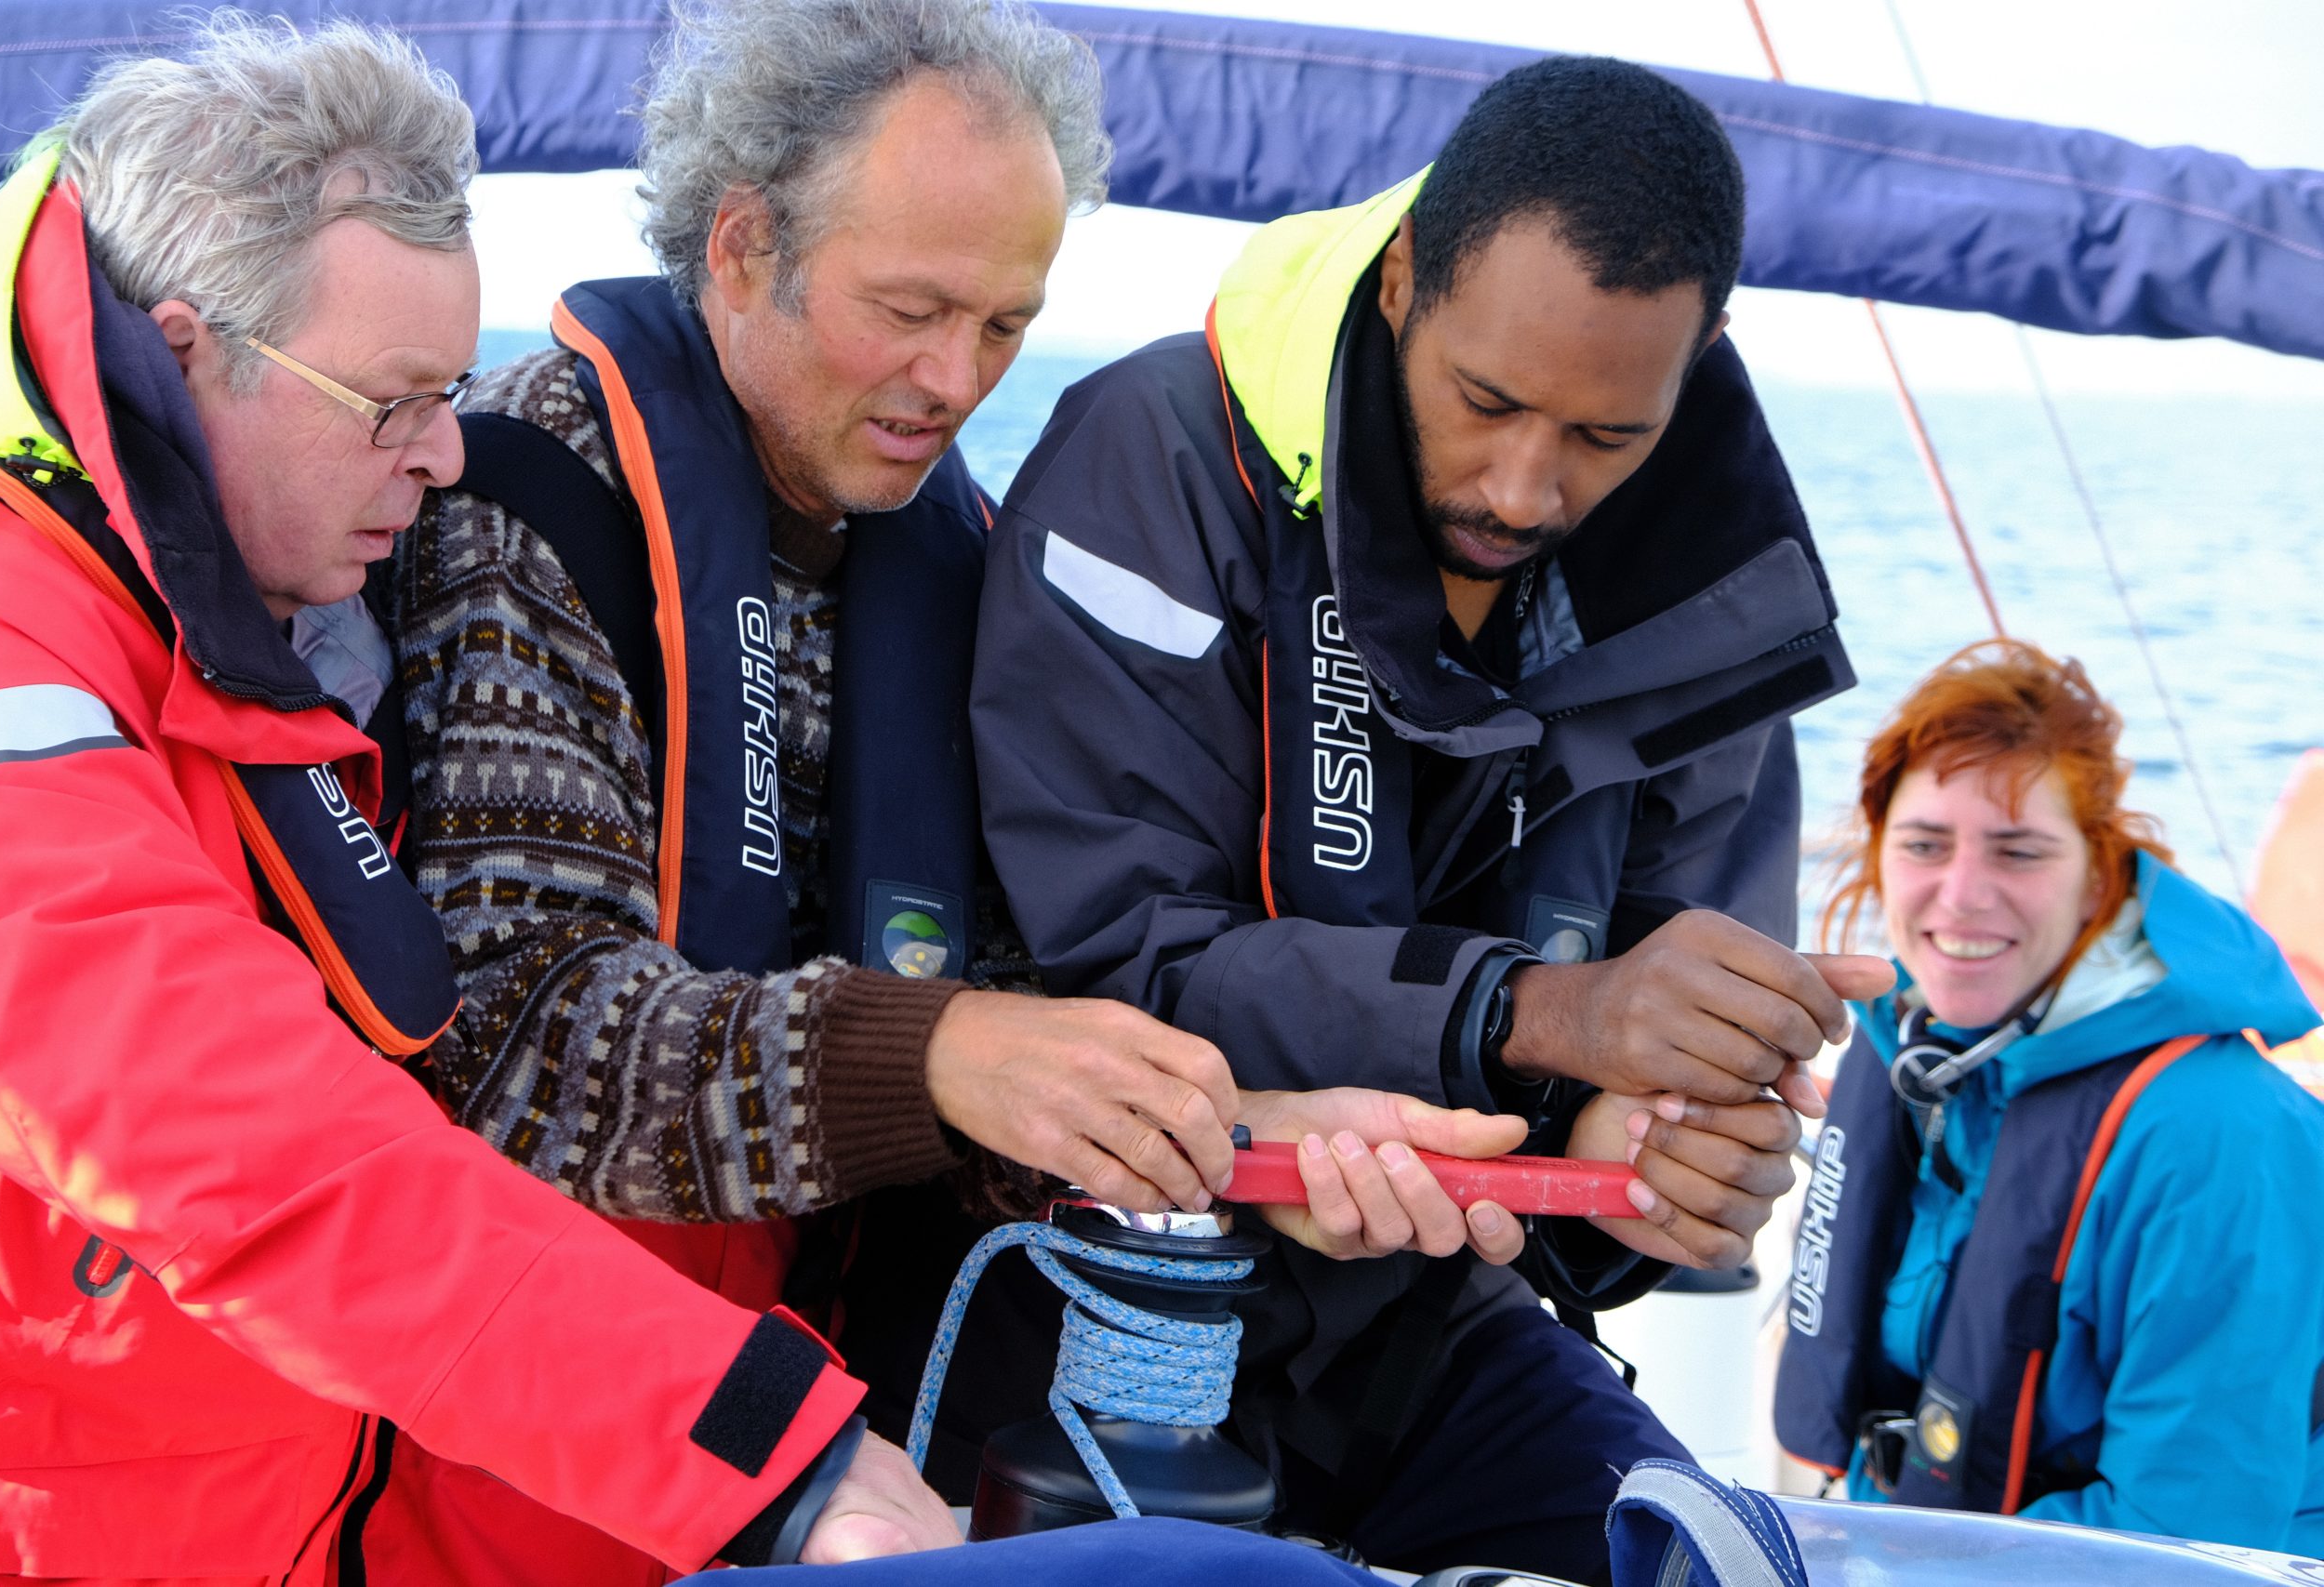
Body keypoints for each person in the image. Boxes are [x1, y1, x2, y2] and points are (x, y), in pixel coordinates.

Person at [391, 1, 1540, 1579]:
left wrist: (1245, 1140)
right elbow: (522, 1047)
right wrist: (948, 1050)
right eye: (912, 308)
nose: (957, 380)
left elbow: (1007, 1042)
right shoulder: (522, 501)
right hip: (527, 1448)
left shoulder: (949, 552)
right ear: (738, 248)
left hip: (830, 1437)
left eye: (1005, 323)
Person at [0, 16, 972, 1581]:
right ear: (182, 348)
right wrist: (763, 1443)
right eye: (393, 400)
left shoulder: (255, 626)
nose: (443, 457)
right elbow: (241, 1144)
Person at [952, 52, 1894, 1582]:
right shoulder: (1151, 460)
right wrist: (1547, 1012)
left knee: (1720, 1562)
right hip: (1095, 1303)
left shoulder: (1717, 593)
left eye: (1607, 439)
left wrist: (1647, 1159)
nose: (1526, 487)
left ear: (1697, 361)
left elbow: (1646, 1081)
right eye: (1489, 402)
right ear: (1401, 282)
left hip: (1433, 1318)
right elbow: (1119, 968)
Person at [1776, 640, 2324, 1551]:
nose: (1961, 896)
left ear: (2096, 881)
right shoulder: (1919, 1059)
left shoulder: (2216, 1137)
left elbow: (2179, 1543)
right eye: (1924, 845)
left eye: (2019, 852)